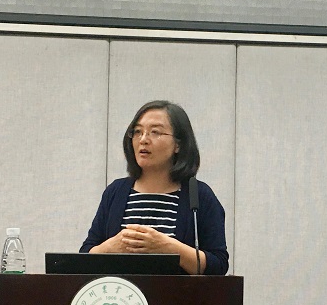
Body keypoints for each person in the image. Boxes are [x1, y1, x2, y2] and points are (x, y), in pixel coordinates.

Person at [80, 100, 228, 275]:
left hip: (177, 293)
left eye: (155, 132)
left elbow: (218, 265)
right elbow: (84, 258)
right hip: (122, 293)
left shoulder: (198, 195)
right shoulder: (115, 192)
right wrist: (110, 247)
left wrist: (169, 248)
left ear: (178, 144)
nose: (143, 140)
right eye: (137, 132)